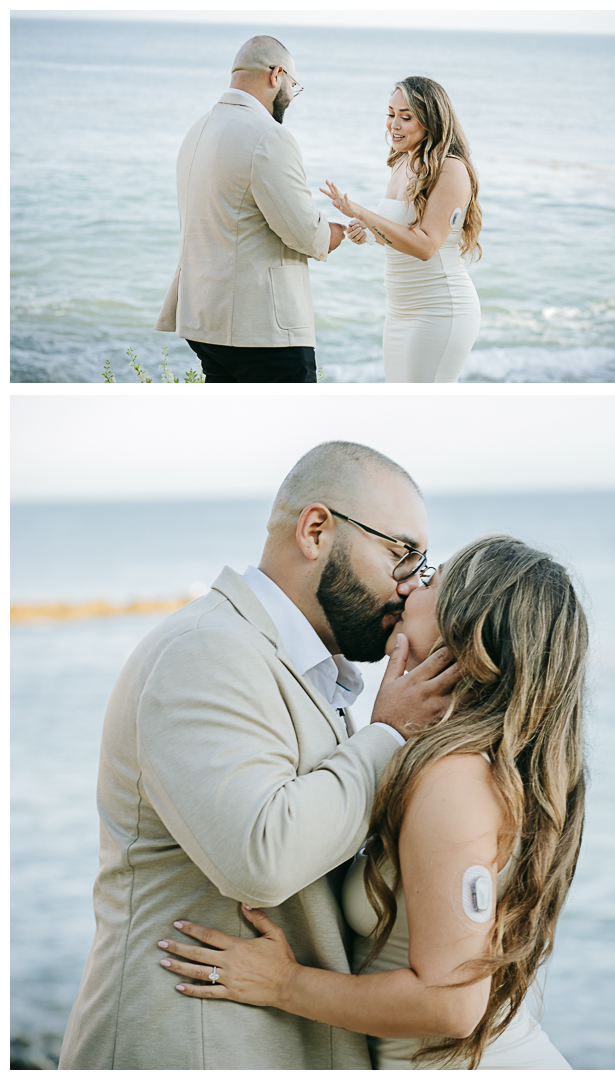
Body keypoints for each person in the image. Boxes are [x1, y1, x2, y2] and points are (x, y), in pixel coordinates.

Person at [57, 442, 460, 1070]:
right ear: (317, 530)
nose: (410, 583)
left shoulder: (305, 668)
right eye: (401, 553)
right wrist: (387, 734)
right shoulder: (204, 650)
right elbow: (260, 855)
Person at [154, 535, 588, 1070]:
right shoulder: (473, 764)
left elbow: (451, 1003)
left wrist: (284, 984)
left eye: (429, 581)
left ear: (467, 630)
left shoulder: (455, 779)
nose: (407, 588)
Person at [154, 36, 346, 384]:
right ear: (276, 74)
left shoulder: (197, 130)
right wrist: (336, 232)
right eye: (293, 85)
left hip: (206, 323)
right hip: (260, 330)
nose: (291, 94)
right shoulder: (268, 136)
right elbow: (306, 232)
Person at [322, 76, 482, 384]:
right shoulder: (402, 163)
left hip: (439, 311)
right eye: (391, 114)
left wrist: (362, 212)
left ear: (431, 121)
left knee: (422, 412)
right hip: (399, 312)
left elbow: (424, 246)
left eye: (406, 117)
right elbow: (396, 233)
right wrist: (365, 232)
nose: (394, 124)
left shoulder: (450, 169)